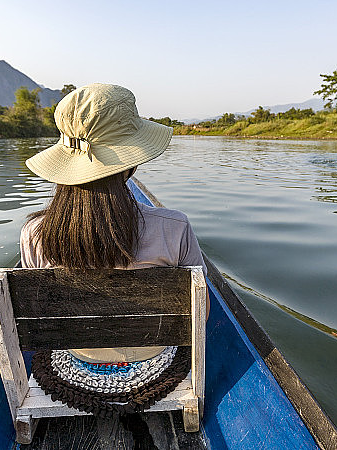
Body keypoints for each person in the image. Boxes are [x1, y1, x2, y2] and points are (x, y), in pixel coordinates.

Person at [20, 83, 206, 364]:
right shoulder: (174, 226)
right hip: (155, 356)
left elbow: (34, 310)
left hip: (77, 355)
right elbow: (200, 314)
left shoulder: (34, 233)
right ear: (132, 163)